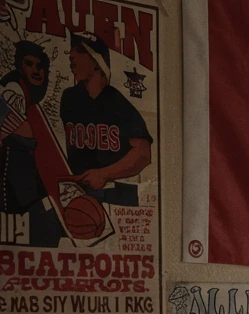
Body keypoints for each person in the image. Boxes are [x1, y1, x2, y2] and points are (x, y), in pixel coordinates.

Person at [59, 31, 152, 199]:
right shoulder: (69, 98)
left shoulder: (117, 102)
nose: (71, 55)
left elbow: (144, 153)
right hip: (75, 192)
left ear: (97, 62)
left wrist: (104, 174)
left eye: (80, 51)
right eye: (72, 49)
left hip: (114, 193)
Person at [0, 37, 62, 246]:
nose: (36, 70)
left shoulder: (28, 98)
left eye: (40, 66)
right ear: (19, 66)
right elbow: (20, 132)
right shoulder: (13, 88)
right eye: (29, 64)